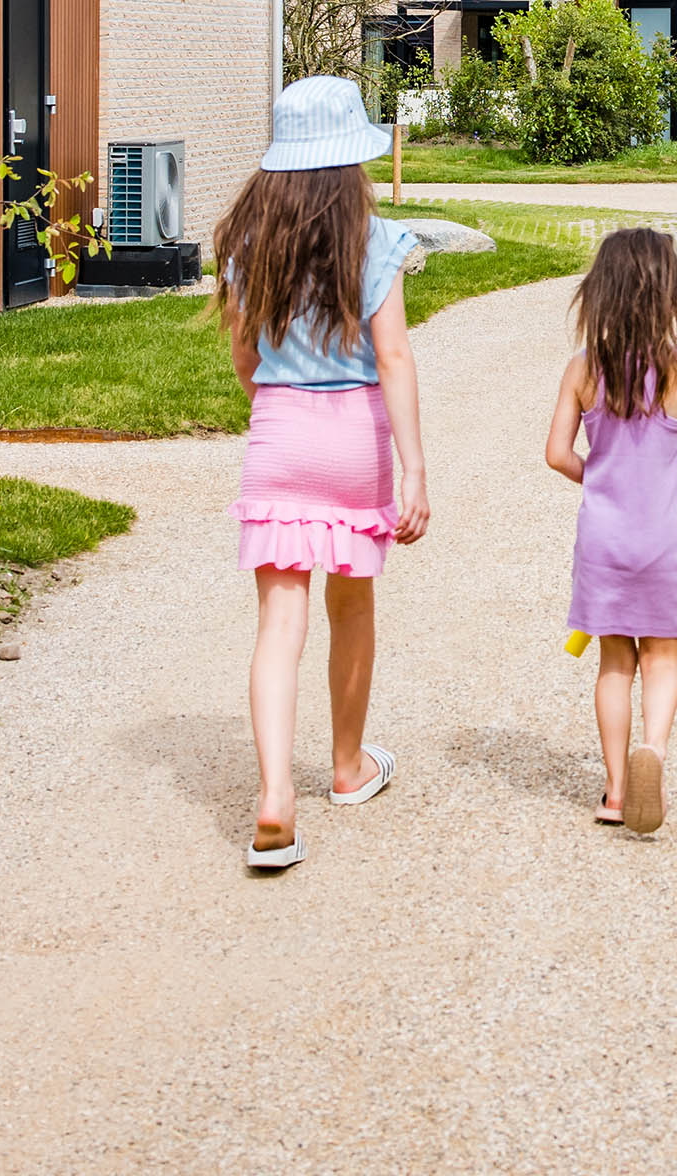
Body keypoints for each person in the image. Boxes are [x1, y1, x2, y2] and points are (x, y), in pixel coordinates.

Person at [219, 76, 432, 871]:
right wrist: (413, 469)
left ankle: (276, 797)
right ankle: (347, 768)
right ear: (352, 163)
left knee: (279, 624)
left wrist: (274, 405)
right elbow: (395, 357)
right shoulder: (376, 240)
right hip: (356, 439)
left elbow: (246, 358)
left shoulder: (247, 243)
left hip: (280, 431)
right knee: (352, 607)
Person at [543, 228, 677, 835]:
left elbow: (556, 454)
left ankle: (614, 790)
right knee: (661, 660)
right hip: (658, 542)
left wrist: (601, 476)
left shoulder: (582, 368)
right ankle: (652, 749)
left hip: (602, 540)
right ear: (669, 296)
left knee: (613, 665)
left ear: (598, 293)